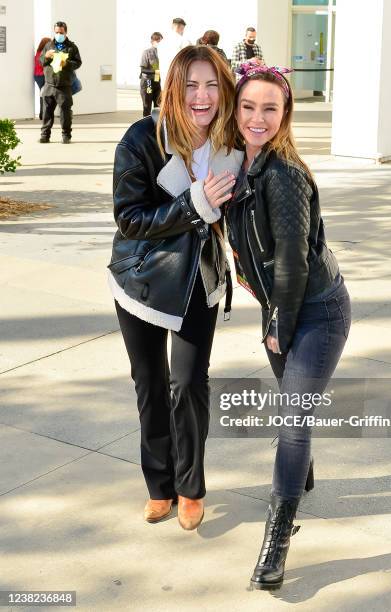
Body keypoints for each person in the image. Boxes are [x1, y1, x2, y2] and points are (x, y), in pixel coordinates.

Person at [221, 61, 351, 589]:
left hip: (315, 309)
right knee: (294, 410)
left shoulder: (283, 174)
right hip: (282, 305)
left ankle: (276, 537)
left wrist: (279, 321)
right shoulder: (238, 165)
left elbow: (294, 263)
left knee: (292, 419)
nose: (257, 118)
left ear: (285, 113)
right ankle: (302, 468)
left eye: (269, 108)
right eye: (248, 106)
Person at [108, 46, 243, 531]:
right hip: (141, 280)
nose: (201, 97)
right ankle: (158, 485)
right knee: (149, 384)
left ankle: (190, 487)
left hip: (197, 281)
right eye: (191, 85)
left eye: (212, 85)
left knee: (188, 383)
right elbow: (129, 218)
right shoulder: (142, 139)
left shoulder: (232, 144)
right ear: (173, 89)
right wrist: (193, 204)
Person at [39, 21, 82, 144]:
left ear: (66, 32)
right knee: (47, 112)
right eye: (56, 32)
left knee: (65, 112)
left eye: (61, 32)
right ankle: (45, 135)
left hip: (64, 86)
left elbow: (78, 63)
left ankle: (66, 135)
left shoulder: (72, 47)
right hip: (49, 85)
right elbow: (40, 62)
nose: (58, 34)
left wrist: (67, 63)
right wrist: (46, 56)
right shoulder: (48, 45)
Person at [157, 17, 192, 84]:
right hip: (179, 79)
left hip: (164, 79)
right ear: (181, 27)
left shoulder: (161, 43)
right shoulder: (184, 41)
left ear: (172, 26)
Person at [139, 31, 163, 117]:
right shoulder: (147, 52)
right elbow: (143, 69)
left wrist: (158, 78)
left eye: (160, 41)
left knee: (159, 105)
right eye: (158, 41)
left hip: (156, 81)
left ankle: (158, 126)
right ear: (152, 41)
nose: (159, 43)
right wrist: (156, 71)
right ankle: (146, 126)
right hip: (148, 82)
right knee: (147, 105)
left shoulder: (161, 53)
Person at [34, 37, 51, 120]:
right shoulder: (43, 54)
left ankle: (42, 114)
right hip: (42, 76)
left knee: (42, 93)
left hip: (37, 76)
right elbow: (43, 65)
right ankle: (43, 114)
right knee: (45, 94)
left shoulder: (37, 52)